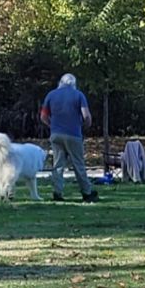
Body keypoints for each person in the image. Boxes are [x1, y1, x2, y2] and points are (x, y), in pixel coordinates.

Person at [40, 73, 98, 203]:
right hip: (74, 134)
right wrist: (84, 126)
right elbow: (86, 116)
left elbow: (43, 116)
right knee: (78, 164)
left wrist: (52, 125)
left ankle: (57, 192)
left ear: (60, 82)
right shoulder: (79, 95)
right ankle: (87, 192)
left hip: (56, 135)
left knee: (58, 165)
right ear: (74, 84)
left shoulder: (51, 95)